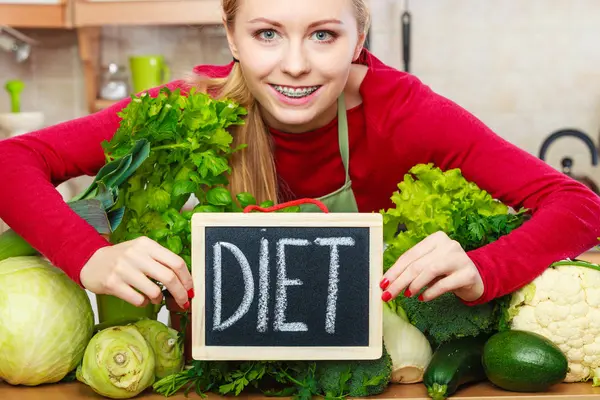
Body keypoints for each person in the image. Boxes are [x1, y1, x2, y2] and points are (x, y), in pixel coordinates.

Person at [0, 0, 599, 312]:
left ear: (357, 39)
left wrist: (485, 269)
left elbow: (578, 204)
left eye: (323, 34)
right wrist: (89, 258)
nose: (294, 64)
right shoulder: (190, 107)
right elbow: (12, 161)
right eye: (267, 34)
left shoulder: (402, 112)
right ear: (231, 37)